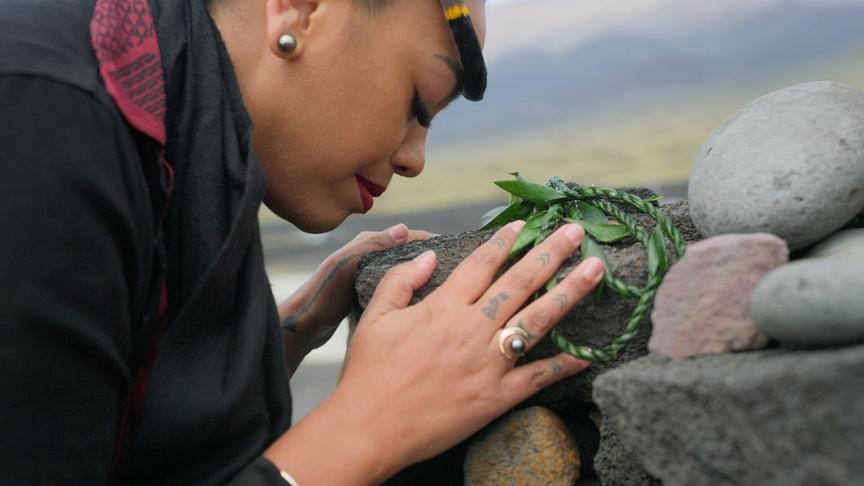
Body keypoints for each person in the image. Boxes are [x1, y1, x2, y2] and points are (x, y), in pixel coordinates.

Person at [0, 0, 604, 483]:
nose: (414, 158)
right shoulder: (48, 107)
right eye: (418, 103)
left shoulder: (164, 99)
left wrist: (282, 336)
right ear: (298, 10)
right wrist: (371, 424)